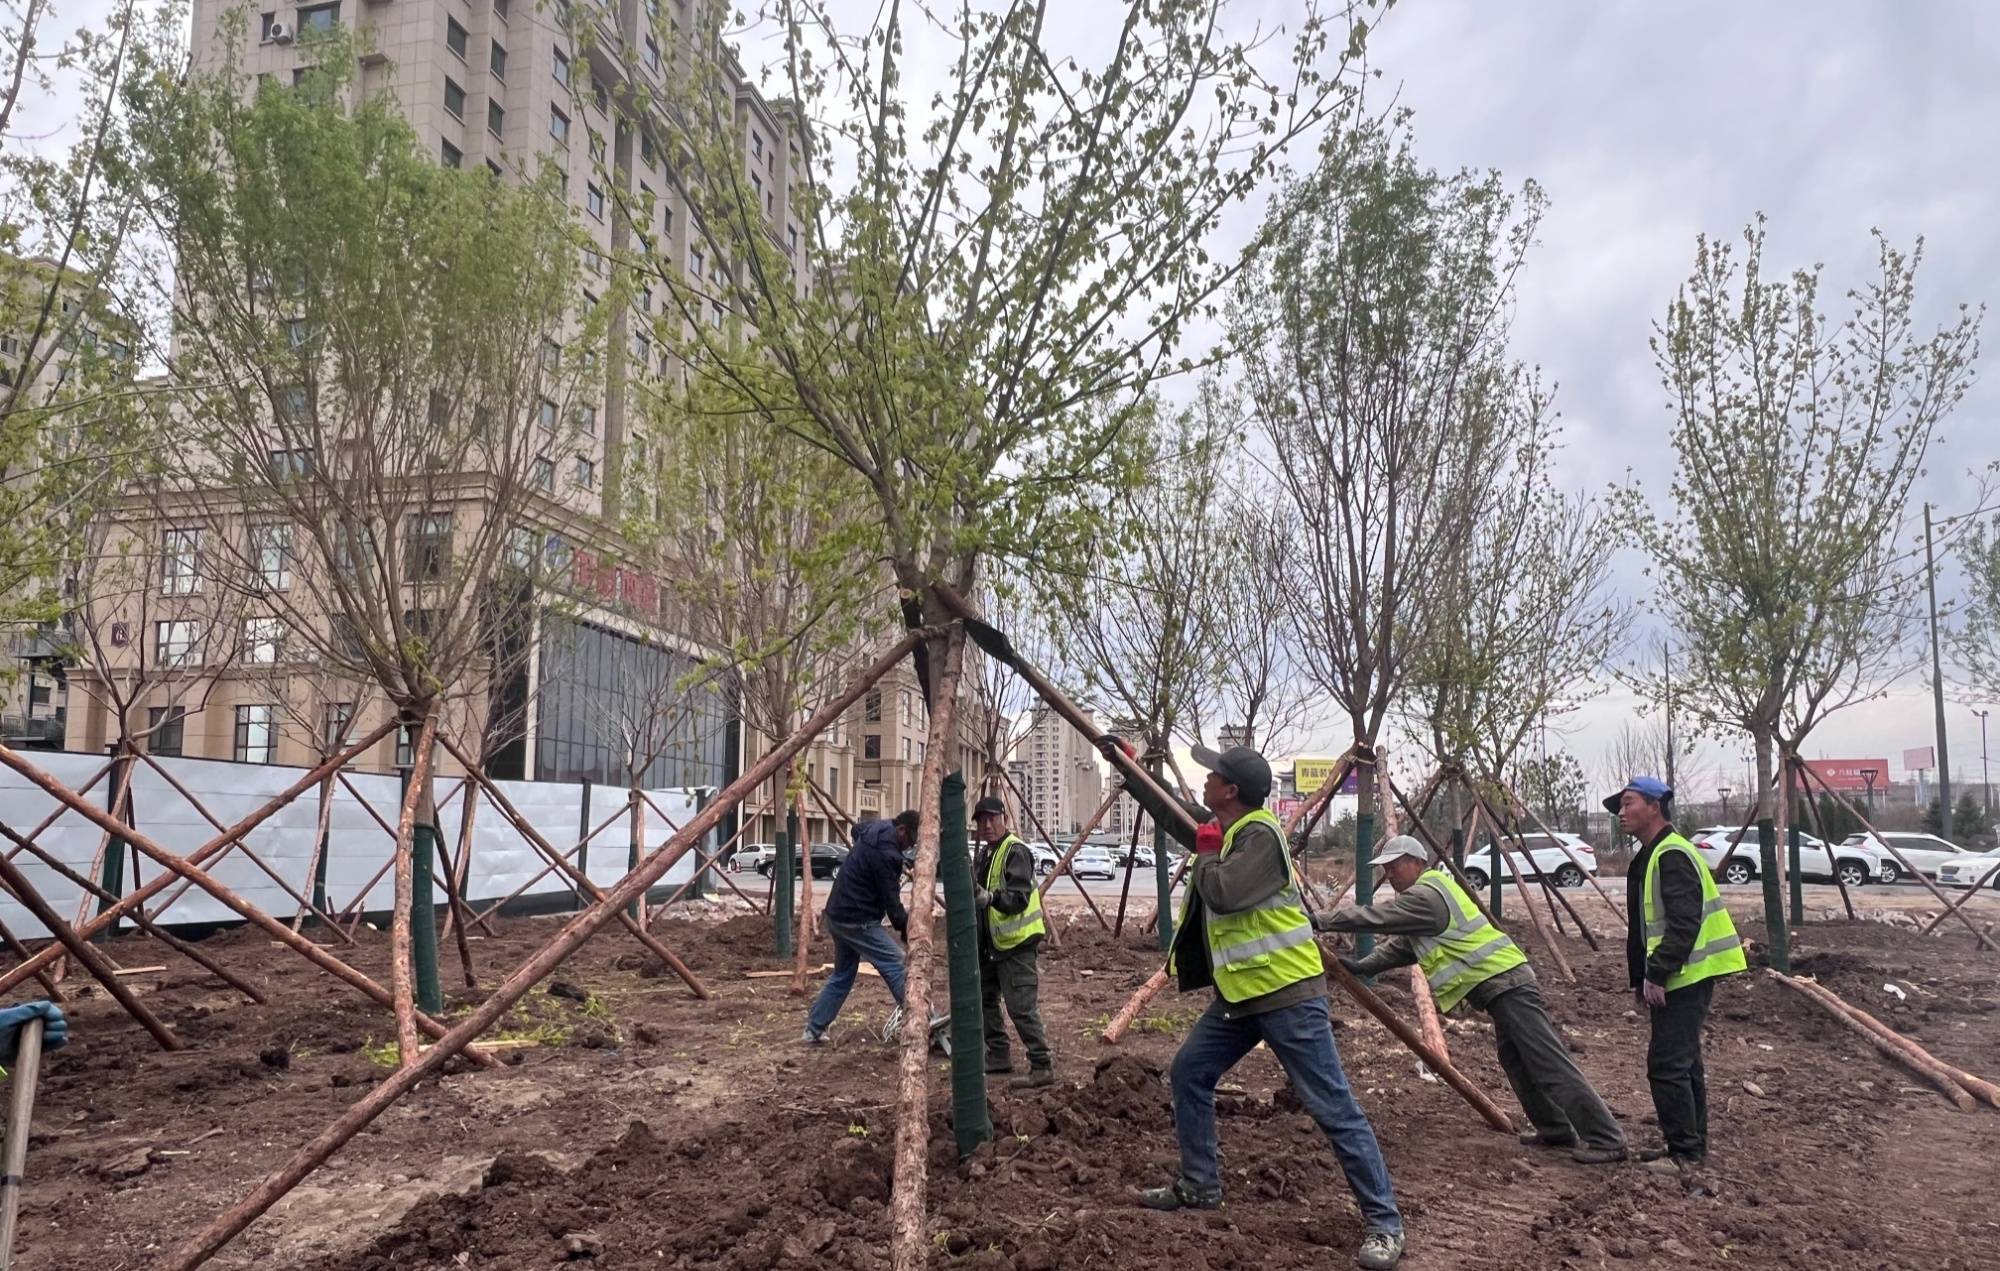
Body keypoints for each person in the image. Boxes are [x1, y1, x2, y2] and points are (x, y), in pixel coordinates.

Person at [1114, 741, 1404, 1271]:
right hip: (1241, 996)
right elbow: (1180, 817)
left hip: (1288, 995)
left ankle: (1384, 1222)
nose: (1204, 781)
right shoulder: (1226, 831)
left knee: (1332, 1107)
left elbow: (1222, 892)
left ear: (1232, 791)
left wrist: (1203, 853)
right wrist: (1131, 771)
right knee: (1189, 1073)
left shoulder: (1260, 837)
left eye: (1213, 776)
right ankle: (1199, 1185)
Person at [1313, 835, 1627, 1164]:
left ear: (1417, 862)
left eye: (1394, 866)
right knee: (1517, 1060)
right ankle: (1555, 1129)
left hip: (1506, 983)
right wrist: (1361, 966)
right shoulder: (1431, 896)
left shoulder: (1427, 895)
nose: (1389, 874)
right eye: (1385, 869)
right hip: (1501, 987)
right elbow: (1404, 947)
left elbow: (1378, 917)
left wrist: (1323, 920)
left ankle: (1606, 1138)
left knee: (1547, 1061)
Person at [1605, 776, 1746, 1175]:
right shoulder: (1652, 855)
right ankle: (1689, 1146)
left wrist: (1658, 973)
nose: (1621, 812)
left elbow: (1684, 923)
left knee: (1667, 1065)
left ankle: (1684, 1153)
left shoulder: (1670, 854)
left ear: (1655, 805)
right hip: (1683, 975)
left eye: (1628, 803)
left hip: (1685, 976)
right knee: (1684, 1064)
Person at [802, 816, 912, 1044]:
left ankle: (813, 1029)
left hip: (837, 913)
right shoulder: (886, 855)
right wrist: (907, 929)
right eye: (910, 839)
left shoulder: (877, 828)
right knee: (896, 961)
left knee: (843, 975)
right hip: (856, 919)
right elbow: (892, 904)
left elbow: (856, 829)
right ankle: (918, 1019)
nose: (910, 846)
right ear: (901, 830)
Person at [970, 795, 1054, 1087]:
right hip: (993, 946)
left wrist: (989, 898)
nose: (987, 826)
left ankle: (1042, 1064)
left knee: (1021, 1006)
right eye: (982, 821)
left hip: (1017, 946)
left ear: (1003, 818)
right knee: (985, 999)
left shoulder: (1015, 852)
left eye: (992, 819)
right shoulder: (985, 854)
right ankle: (999, 1055)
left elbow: (1018, 898)